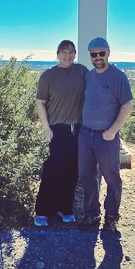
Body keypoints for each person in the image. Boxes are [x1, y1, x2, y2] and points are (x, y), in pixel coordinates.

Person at [78, 37, 134, 235]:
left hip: (107, 138)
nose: (98, 57)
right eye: (94, 54)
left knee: (112, 177)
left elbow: (127, 105)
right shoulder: (89, 76)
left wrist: (112, 131)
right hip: (85, 134)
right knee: (87, 176)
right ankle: (92, 214)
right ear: (90, 56)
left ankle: (111, 217)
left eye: (102, 53)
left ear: (108, 52)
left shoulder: (119, 77)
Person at [34, 39, 88, 227]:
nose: (68, 55)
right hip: (57, 129)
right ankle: (42, 211)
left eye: (71, 51)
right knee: (53, 169)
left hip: (78, 129)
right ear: (57, 54)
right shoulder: (48, 76)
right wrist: (45, 126)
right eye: (64, 51)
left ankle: (65, 209)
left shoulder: (81, 71)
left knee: (72, 171)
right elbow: (40, 102)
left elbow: (95, 86)